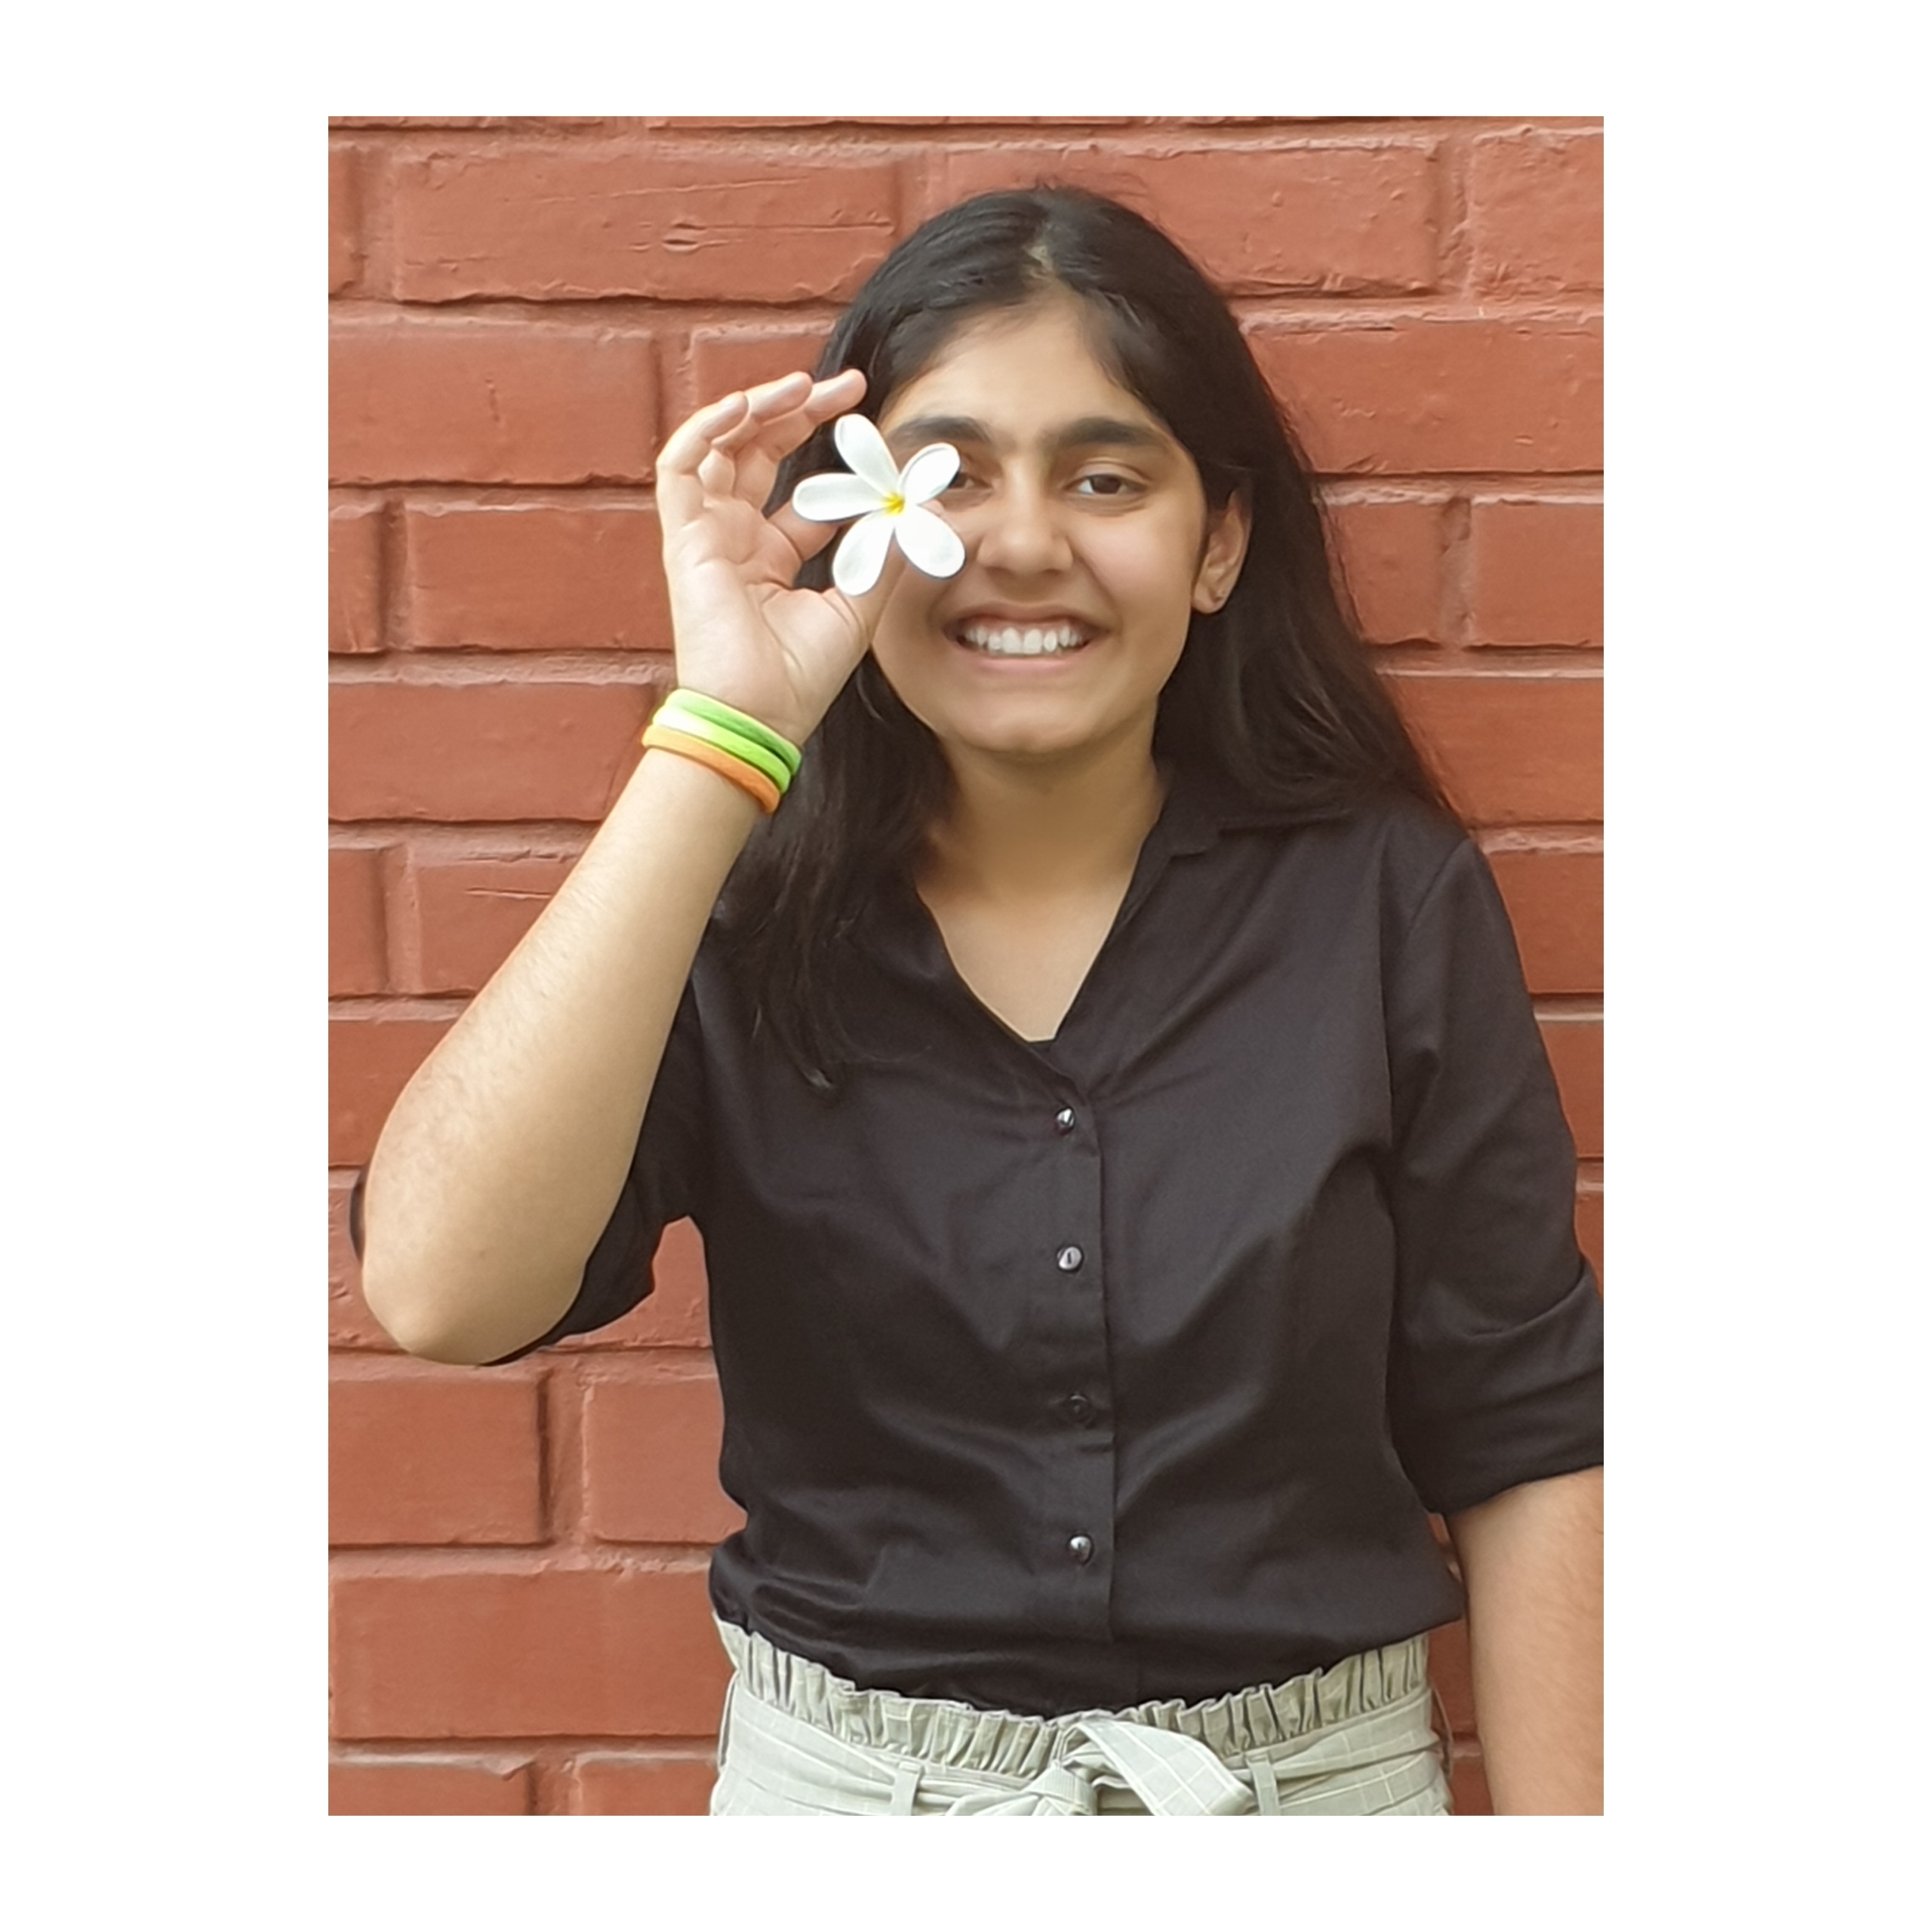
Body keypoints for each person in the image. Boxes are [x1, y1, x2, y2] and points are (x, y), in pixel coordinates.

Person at [354, 188, 1604, 1816]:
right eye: (941, 478)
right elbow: (441, 1295)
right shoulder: (731, 912)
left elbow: (1526, 1432)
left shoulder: (1382, 899)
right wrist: (726, 728)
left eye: (1105, 477)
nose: (1017, 543)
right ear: (848, 518)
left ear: (1219, 543)